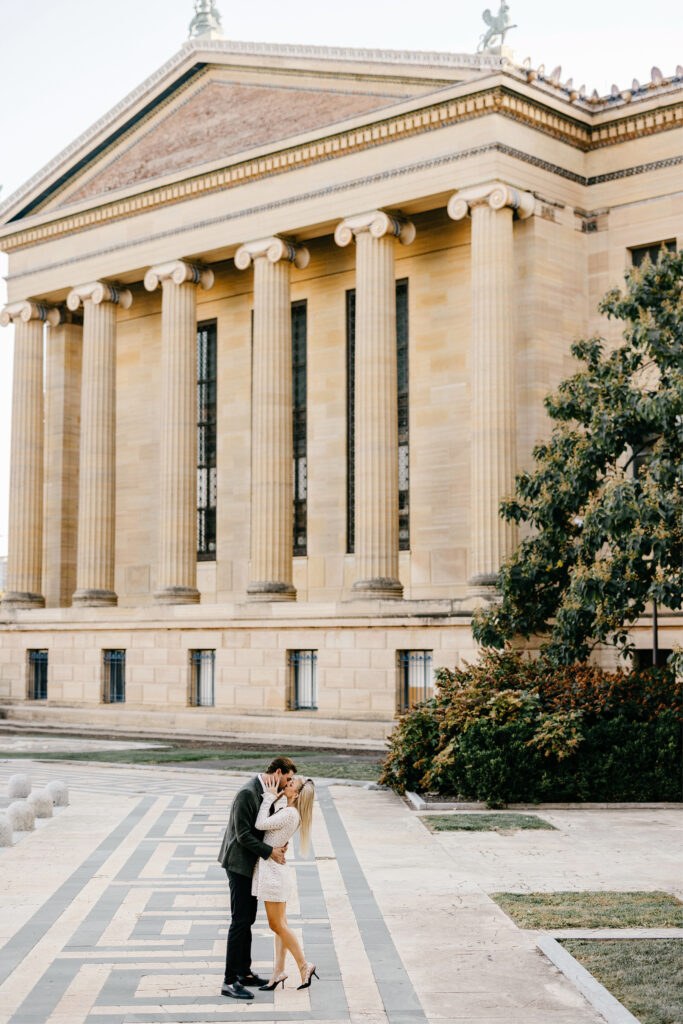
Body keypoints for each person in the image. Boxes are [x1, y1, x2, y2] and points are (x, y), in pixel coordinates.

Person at [217, 756, 296, 1001]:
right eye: (289, 779)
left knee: (248, 919)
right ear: (279, 772)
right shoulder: (247, 793)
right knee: (240, 921)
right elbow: (242, 835)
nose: (289, 783)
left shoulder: (268, 792)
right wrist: (270, 852)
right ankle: (230, 981)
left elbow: (266, 827)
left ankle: (244, 972)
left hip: (252, 864)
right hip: (239, 864)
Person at [254, 773, 318, 991]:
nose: (286, 785)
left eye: (291, 784)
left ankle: (303, 965)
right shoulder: (291, 813)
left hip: (273, 874)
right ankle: (279, 971)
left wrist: (269, 798)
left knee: (276, 925)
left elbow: (260, 824)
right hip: (276, 872)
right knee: (281, 926)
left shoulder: (290, 813)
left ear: (297, 795)